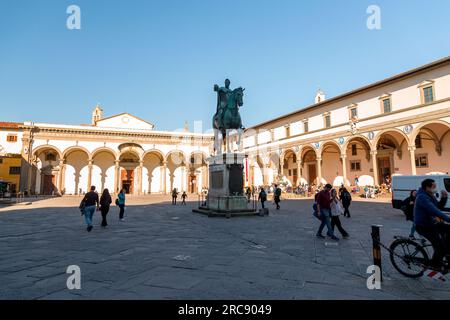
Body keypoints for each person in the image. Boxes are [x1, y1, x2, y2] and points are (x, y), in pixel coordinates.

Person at [414, 179, 450, 270]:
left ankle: (446, 253)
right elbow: (435, 211)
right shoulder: (422, 197)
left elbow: (438, 207)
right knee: (440, 247)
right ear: (427, 187)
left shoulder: (430, 195)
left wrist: (444, 198)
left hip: (432, 223)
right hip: (424, 226)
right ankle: (434, 264)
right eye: (434, 186)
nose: (435, 188)